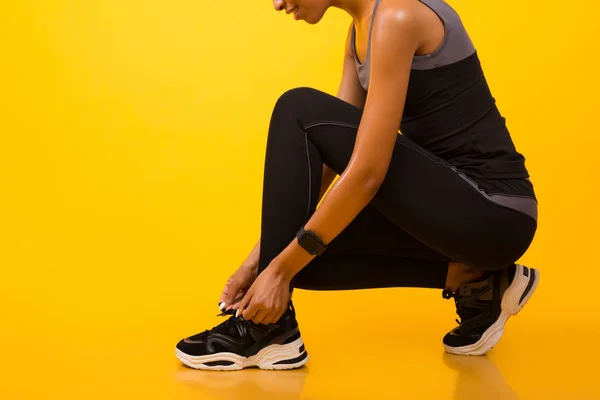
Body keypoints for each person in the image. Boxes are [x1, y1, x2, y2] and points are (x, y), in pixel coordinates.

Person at [175, 0, 539, 371]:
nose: (278, 3)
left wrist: (277, 270)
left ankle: (264, 328)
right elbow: (329, 158)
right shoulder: (359, 34)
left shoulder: (398, 17)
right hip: (454, 218)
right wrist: (258, 266)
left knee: (296, 109)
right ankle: (481, 281)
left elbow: (367, 172)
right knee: (300, 251)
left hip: (493, 213)